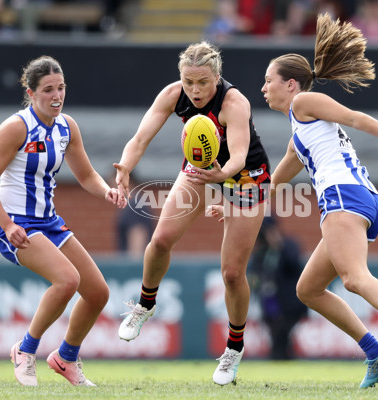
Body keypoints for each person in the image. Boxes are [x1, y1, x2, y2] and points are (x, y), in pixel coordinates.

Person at [215, 13, 378, 389]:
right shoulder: (299, 134)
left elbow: (353, 115)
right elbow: (271, 183)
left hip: (343, 197)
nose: (263, 89)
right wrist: (233, 203)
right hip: (360, 199)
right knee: (308, 289)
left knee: (353, 278)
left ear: (291, 84)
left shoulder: (305, 102)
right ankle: (376, 353)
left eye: (269, 81)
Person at [114, 41, 271, 386]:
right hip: (200, 167)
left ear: (217, 76)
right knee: (160, 241)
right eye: (189, 82)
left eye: (203, 82)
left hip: (245, 176)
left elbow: (240, 156)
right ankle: (145, 304)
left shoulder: (235, 102)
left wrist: (222, 176)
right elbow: (140, 138)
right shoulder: (173, 95)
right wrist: (126, 166)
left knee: (231, 274)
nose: (195, 91)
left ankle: (233, 348)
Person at [0, 55, 124, 387]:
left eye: (61, 88)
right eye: (47, 90)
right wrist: (8, 224)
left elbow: (86, 175)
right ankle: (25, 351)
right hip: (15, 223)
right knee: (67, 280)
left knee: (98, 293)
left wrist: (107, 192)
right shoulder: (15, 127)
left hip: (48, 222)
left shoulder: (67, 127)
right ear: (31, 93)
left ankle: (66, 358)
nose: (57, 96)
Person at [248, 215, 307, 359]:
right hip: (270, 301)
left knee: (282, 333)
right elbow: (253, 274)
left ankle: (281, 357)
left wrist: (278, 244)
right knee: (277, 334)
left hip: (290, 302)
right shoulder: (261, 252)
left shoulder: (288, 244)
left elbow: (294, 264)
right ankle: (281, 358)